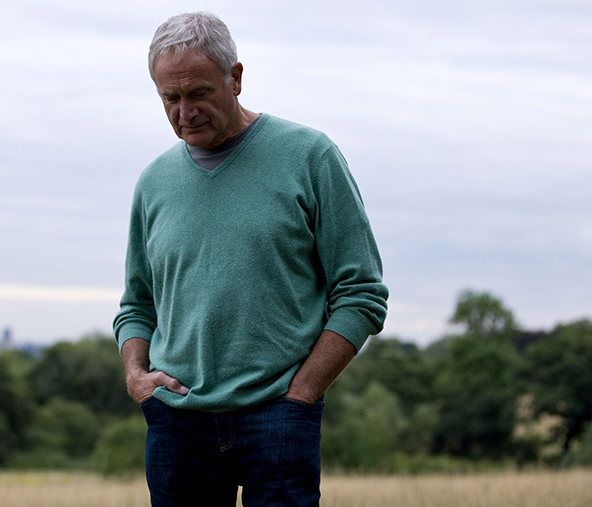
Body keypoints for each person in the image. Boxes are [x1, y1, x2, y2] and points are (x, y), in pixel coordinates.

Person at [113, 11, 389, 506]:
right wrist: (138, 378)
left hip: (278, 416)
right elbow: (137, 305)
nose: (184, 111)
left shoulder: (310, 157)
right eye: (169, 99)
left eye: (198, 93)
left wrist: (302, 393)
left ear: (235, 78)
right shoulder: (154, 182)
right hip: (178, 422)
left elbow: (361, 294)